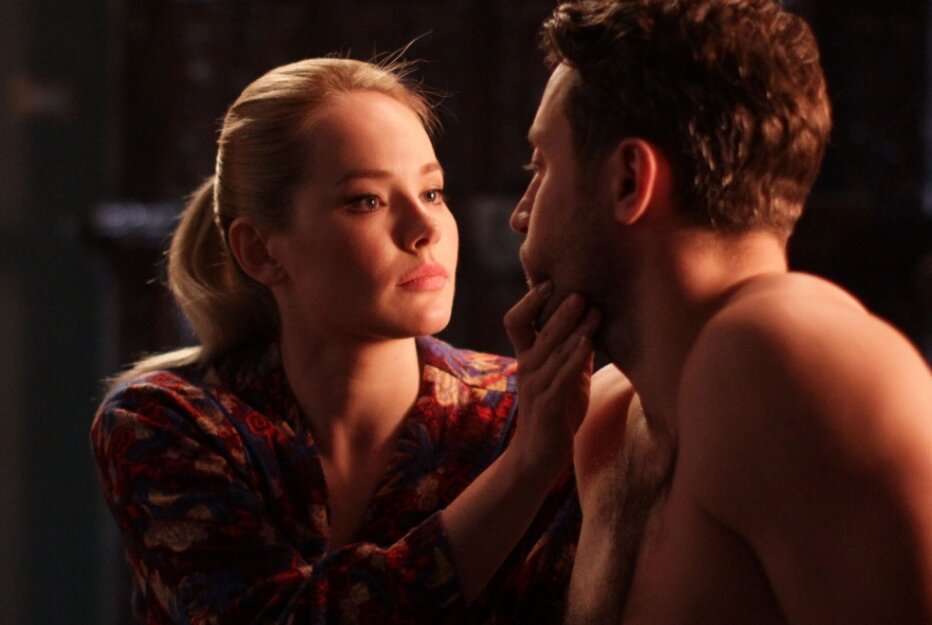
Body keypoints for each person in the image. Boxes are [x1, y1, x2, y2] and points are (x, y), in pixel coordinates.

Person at [91, 57, 601, 624]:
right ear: (260, 250)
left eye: (432, 192)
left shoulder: (532, 410)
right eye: (367, 201)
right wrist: (524, 470)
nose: (424, 228)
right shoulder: (166, 421)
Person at [509, 0, 932, 623]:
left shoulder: (791, 358)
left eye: (541, 167)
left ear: (629, 181)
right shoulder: (605, 418)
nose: (521, 214)